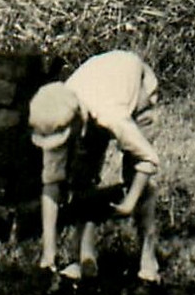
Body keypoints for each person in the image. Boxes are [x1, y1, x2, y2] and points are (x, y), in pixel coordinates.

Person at [27, 49, 162, 283]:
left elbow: (148, 160)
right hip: (97, 87)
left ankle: (148, 260)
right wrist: (48, 256)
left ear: (77, 123)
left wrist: (128, 203)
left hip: (136, 88)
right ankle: (84, 257)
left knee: (137, 181)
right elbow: (51, 184)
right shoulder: (56, 108)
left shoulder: (112, 114)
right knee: (82, 176)